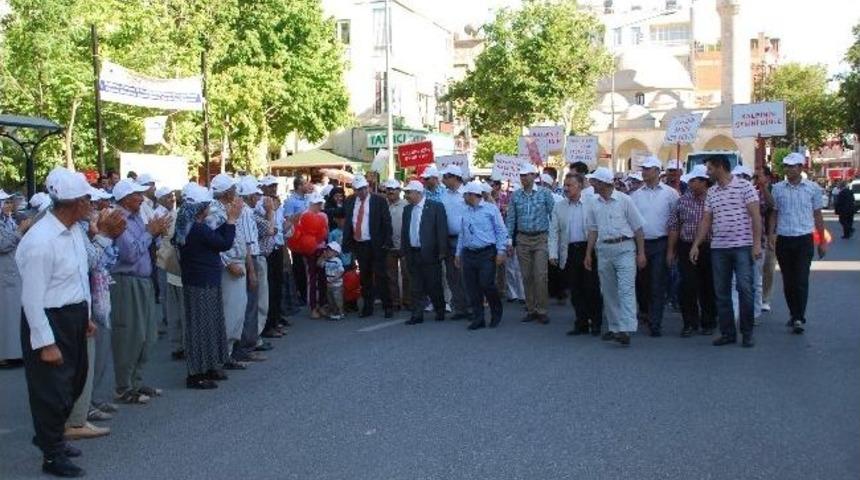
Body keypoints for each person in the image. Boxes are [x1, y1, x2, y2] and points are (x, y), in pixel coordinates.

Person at [16, 168, 121, 477]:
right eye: (87, 199)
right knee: (52, 390)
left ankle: (52, 438)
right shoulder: (40, 241)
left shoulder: (73, 230)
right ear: (74, 203)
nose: (91, 205)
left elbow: (80, 275)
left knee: (73, 384)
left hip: (74, 315)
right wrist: (46, 343)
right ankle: (52, 453)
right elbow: (32, 299)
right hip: (50, 318)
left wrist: (86, 316)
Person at [690, 155, 762, 348]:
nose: (707, 172)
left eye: (710, 168)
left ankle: (747, 333)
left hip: (742, 246)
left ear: (720, 167)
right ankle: (728, 332)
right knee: (721, 292)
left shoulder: (745, 187)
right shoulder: (712, 192)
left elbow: (756, 216)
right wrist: (696, 243)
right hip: (719, 248)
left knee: (745, 289)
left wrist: (756, 244)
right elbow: (706, 220)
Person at [109, 179, 170, 404]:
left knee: (146, 335)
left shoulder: (136, 217)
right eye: (136, 195)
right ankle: (124, 386)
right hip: (126, 281)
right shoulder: (119, 220)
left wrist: (152, 231)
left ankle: (136, 381)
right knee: (129, 335)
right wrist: (150, 233)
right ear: (125, 199)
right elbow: (130, 253)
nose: (141, 198)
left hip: (142, 281)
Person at [175, 184, 241, 389]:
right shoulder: (196, 228)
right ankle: (196, 373)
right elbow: (223, 243)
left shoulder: (191, 226)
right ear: (200, 209)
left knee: (210, 324)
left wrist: (228, 222)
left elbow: (215, 238)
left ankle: (210, 365)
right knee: (201, 327)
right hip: (201, 282)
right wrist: (231, 220)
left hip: (203, 280)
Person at [584, 167, 646, 347]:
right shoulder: (593, 203)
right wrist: (588, 253)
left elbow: (638, 228)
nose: (591, 184)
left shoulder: (625, 200)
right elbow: (593, 230)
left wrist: (641, 253)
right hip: (603, 249)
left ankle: (625, 328)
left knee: (625, 288)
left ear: (603, 183)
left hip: (625, 246)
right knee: (608, 290)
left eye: (594, 181)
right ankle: (615, 326)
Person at [769, 152, 827, 335]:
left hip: (804, 238)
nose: (789, 169)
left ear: (801, 168)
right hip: (785, 238)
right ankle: (793, 313)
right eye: (786, 166)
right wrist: (772, 233)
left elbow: (817, 215)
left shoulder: (813, 188)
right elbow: (774, 213)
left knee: (801, 279)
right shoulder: (777, 188)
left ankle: (799, 316)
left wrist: (822, 241)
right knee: (788, 280)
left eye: (793, 166)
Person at [206, 174, 252, 368]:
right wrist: (227, 263)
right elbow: (213, 242)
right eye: (233, 189)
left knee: (237, 310)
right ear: (226, 193)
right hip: (230, 266)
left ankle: (228, 352)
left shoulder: (226, 209)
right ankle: (223, 354)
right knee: (230, 311)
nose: (236, 192)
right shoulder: (215, 212)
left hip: (237, 262)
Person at [549, 173, 603, 337]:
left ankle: (596, 322)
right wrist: (553, 253)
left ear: (580, 186)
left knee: (591, 288)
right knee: (576, 289)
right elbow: (554, 231)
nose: (566, 188)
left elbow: (599, 226)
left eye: (570, 185)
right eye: (565, 185)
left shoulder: (592, 203)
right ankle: (581, 323)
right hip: (570, 251)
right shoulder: (560, 206)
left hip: (589, 250)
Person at [631, 156, 679, 337]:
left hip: (661, 242)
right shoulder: (635, 195)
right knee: (642, 283)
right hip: (641, 243)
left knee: (657, 283)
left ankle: (656, 322)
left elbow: (675, 222)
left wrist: (671, 250)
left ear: (658, 172)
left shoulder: (671, 194)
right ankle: (645, 312)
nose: (644, 171)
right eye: (643, 168)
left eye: (648, 169)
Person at [667, 165, 716, 337]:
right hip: (686, 245)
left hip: (710, 246)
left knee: (708, 285)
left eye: (694, 180)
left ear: (704, 182)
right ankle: (689, 322)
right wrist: (671, 251)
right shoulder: (682, 201)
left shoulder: (714, 198)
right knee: (687, 285)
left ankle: (709, 321)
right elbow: (674, 226)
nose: (691, 183)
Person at [505, 163, 556, 324]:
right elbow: (511, 218)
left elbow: (554, 215)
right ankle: (531, 308)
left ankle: (542, 309)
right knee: (526, 275)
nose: (523, 178)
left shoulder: (545, 193)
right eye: (521, 175)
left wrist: (554, 239)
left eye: (526, 175)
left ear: (534, 176)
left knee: (540, 275)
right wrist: (509, 240)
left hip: (541, 237)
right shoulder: (516, 195)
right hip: (522, 238)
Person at [455, 181, 508, 330]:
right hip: (469, 253)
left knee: (486, 284)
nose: (464, 197)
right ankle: (479, 318)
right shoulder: (465, 211)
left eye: (466, 194)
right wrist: (458, 253)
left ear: (472, 195)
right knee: (472, 287)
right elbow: (462, 233)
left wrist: (501, 251)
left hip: (486, 252)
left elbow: (500, 231)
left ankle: (496, 311)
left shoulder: (491, 209)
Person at [342, 175, 393, 318]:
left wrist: (387, 241)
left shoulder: (379, 201)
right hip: (360, 244)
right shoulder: (350, 201)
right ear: (354, 190)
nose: (362, 192)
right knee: (365, 277)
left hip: (376, 244)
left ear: (368, 187)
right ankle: (367, 306)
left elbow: (386, 223)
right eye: (358, 190)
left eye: (364, 188)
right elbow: (348, 223)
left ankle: (387, 306)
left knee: (381, 276)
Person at [401, 181, 449, 324]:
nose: (407, 195)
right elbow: (405, 231)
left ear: (418, 192)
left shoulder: (435, 207)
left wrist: (442, 251)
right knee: (416, 285)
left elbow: (441, 230)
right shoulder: (407, 209)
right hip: (413, 252)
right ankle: (417, 314)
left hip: (431, 252)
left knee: (433, 284)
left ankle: (439, 309)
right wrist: (405, 251)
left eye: (409, 192)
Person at [233, 178, 268, 362]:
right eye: (255, 194)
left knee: (250, 304)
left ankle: (247, 345)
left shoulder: (247, 211)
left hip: (250, 258)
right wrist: (252, 269)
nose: (257, 198)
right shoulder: (245, 212)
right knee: (250, 305)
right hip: (250, 259)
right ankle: (246, 347)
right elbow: (247, 243)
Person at [1, 189, 32, 368]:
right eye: (4, 203)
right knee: (6, 314)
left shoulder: (9, 220)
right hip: (4, 272)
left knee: (14, 313)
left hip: (13, 269)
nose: (8, 205)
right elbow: (3, 244)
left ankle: (15, 352)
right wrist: (20, 230)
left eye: (8, 202)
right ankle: (6, 354)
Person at [439, 165, 471, 320]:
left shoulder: (467, 194)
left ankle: (472, 306)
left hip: (464, 239)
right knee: (452, 275)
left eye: (446, 177)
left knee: (465, 274)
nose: (443, 180)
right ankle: (460, 308)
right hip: (447, 239)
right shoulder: (444, 195)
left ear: (454, 177)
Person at [284, 175, 313, 304]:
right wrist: (302, 214)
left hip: (310, 236)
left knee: (310, 266)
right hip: (297, 238)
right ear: (299, 186)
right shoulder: (290, 201)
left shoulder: (308, 198)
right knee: (299, 267)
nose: (308, 186)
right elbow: (288, 220)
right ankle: (302, 294)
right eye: (305, 184)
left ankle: (310, 292)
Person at [383, 179, 410, 311]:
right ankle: (395, 302)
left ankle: (408, 301)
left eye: (394, 189)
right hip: (389, 246)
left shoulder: (406, 205)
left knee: (407, 275)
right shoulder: (382, 205)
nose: (391, 191)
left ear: (399, 191)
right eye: (388, 189)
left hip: (404, 245)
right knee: (391, 276)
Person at [301, 193, 329, 319]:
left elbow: (325, 232)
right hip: (310, 251)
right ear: (311, 204)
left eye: (320, 203)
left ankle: (322, 305)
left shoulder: (323, 215)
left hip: (321, 249)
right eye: (317, 203)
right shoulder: (304, 215)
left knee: (323, 278)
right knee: (312, 279)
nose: (319, 206)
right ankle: (313, 307)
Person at [321, 241, 345, 320]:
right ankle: (334, 312)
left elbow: (341, 271)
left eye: (330, 250)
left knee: (337, 298)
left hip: (337, 284)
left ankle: (340, 312)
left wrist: (335, 278)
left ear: (335, 252)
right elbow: (320, 264)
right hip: (329, 283)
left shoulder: (337, 261)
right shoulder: (327, 260)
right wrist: (323, 257)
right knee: (330, 299)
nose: (327, 252)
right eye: (327, 250)